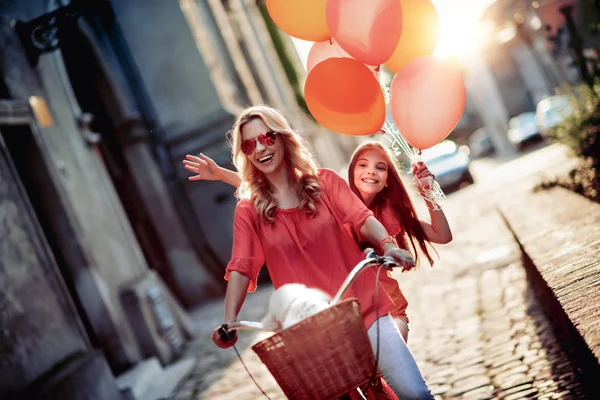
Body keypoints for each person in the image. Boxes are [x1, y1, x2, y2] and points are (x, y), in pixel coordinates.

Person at [185, 105, 433, 399]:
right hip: (311, 334)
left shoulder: (325, 183)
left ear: (281, 138)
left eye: (266, 137)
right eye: (249, 145)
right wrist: (228, 321)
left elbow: (361, 218)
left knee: (416, 394)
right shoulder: (249, 211)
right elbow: (241, 266)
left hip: (364, 309)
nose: (259, 148)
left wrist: (388, 244)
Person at [184, 144, 452, 343]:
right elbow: (272, 191)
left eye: (380, 167)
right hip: (344, 307)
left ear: (387, 181)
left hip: (388, 305)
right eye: (363, 165)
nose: (371, 171)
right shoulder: (332, 203)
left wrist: (429, 192)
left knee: (388, 362)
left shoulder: (388, 214)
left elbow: (442, 235)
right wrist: (221, 174)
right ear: (351, 171)